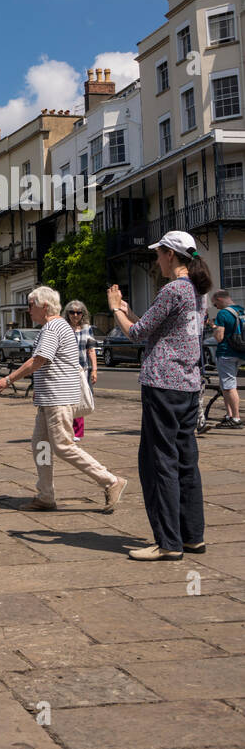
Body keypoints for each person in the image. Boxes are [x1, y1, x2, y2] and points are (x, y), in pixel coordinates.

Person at [107, 230, 212, 560]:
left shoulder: (173, 289)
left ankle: (168, 542)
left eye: (159, 254)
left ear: (170, 254)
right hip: (188, 384)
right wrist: (129, 310)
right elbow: (160, 329)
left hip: (162, 384)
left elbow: (137, 335)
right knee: (186, 462)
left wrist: (115, 309)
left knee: (158, 463)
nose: (156, 260)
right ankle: (192, 536)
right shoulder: (197, 291)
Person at [0, 286, 127, 513]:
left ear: (44, 306)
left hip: (58, 398)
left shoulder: (53, 327)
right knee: (41, 445)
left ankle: (110, 481)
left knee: (64, 446)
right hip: (50, 398)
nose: (28, 310)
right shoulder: (52, 326)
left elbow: (38, 360)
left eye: (31, 305)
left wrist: (9, 379)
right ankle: (46, 495)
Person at [65, 300, 98, 441]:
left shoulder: (87, 328)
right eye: (72, 312)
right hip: (65, 369)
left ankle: (77, 432)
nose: (75, 315)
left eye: (78, 312)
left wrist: (94, 370)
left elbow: (91, 350)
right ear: (68, 313)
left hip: (81, 369)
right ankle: (66, 430)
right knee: (66, 400)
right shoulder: (63, 327)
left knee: (79, 399)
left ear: (82, 314)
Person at [211, 289, 245, 427]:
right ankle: (229, 415)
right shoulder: (241, 310)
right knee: (226, 385)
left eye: (215, 304)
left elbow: (219, 338)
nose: (216, 307)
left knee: (230, 386)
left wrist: (214, 327)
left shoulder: (223, 313)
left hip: (226, 353)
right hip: (241, 352)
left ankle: (236, 418)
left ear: (219, 299)